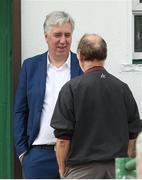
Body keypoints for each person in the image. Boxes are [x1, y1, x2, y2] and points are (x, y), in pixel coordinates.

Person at [51, 33, 141, 179]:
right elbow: (132, 135)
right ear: (105, 56)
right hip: (117, 170)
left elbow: (62, 139)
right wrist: (124, 165)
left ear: (79, 56)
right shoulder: (122, 88)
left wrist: (63, 171)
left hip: (81, 170)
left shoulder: (71, 89)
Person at [14, 11, 83, 179]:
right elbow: (20, 111)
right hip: (38, 156)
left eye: (67, 35)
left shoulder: (82, 66)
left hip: (75, 156)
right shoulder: (30, 67)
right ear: (46, 37)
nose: (63, 40)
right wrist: (23, 152)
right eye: (57, 35)